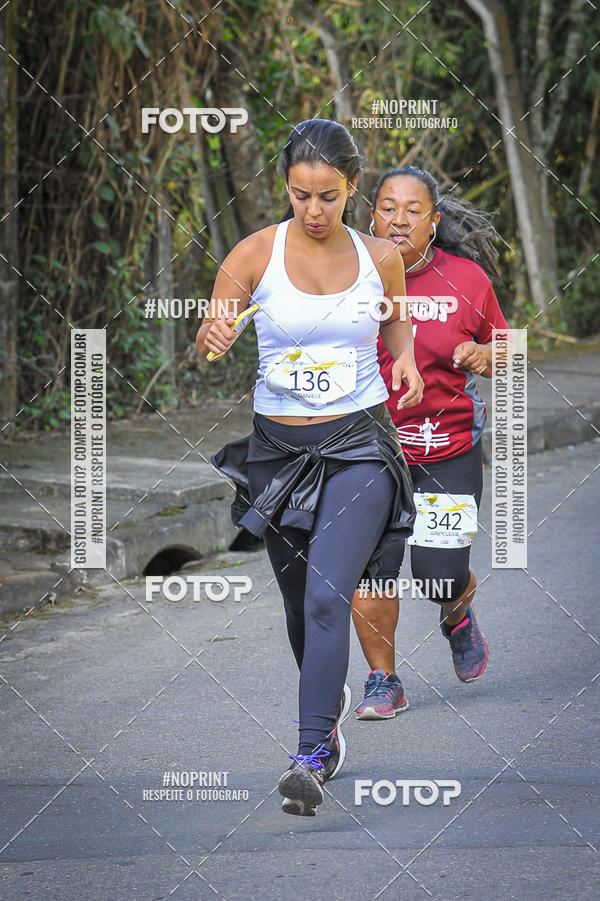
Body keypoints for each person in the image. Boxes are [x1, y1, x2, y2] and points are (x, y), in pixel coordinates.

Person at [196, 121, 424, 816]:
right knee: (301, 607)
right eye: (300, 195)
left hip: (359, 444)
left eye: (328, 195)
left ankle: (307, 756)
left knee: (328, 594)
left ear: (353, 187)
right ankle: (326, 716)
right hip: (278, 455)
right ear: (286, 189)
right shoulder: (255, 252)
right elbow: (216, 322)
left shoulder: (380, 255)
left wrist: (406, 358)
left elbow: (394, 318)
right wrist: (213, 332)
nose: (314, 210)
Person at [352, 165, 509, 720]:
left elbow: (506, 348)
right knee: (368, 566)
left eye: (412, 209)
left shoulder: (467, 280)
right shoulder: (351, 276)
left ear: (434, 220)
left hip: (448, 450)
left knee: (438, 572)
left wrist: (486, 356)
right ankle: (382, 679)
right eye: (387, 207)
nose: (398, 219)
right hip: (368, 452)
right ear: (371, 215)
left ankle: (456, 614)